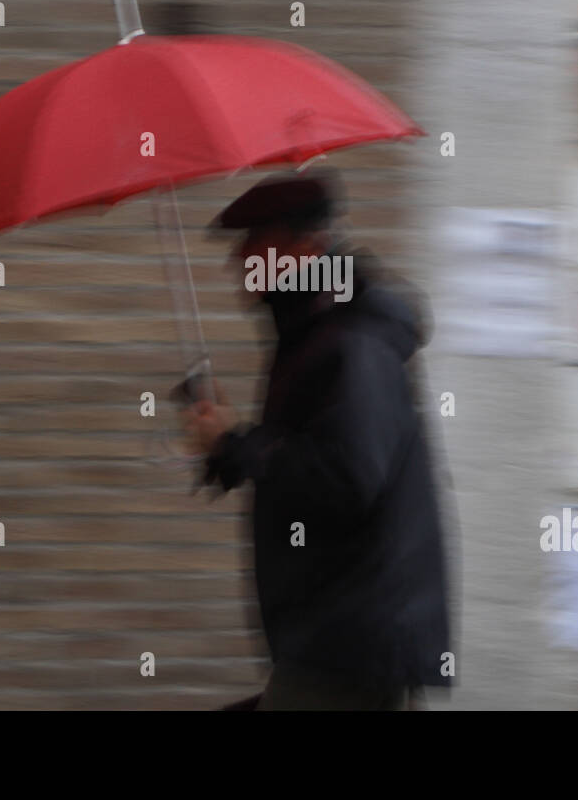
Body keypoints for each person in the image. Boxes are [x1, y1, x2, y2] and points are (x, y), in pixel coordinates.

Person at [180, 173, 453, 710]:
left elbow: (346, 478)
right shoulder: (313, 337)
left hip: (351, 644)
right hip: (339, 637)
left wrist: (238, 443)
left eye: (256, 243)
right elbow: (311, 454)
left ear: (309, 247)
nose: (240, 260)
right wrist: (231, 450)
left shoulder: (351, 343)